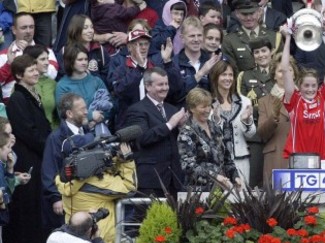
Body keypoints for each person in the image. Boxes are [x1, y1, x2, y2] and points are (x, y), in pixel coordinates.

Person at [4, 55, 51, 243]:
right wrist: (47, 147)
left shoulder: (32, 95)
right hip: (26, 157)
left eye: (35, 69)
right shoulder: (17, 99)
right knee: (25, 208)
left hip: (37, 156)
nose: (36, 72)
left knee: (34, 208)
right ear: (19, 75)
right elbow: (26, 131)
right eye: (30, 70)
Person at [55, 140, 137, 243]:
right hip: (99, 240)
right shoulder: (96, 183)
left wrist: (114, 161)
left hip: (74, 238)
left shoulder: (63, 179)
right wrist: (126, 162)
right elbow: (130, 187)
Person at [279, 19, 325, 169]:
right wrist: (287, 38)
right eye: (306, 86)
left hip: (324, 160)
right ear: (299, 86)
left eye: (313, 85)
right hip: (299, 160)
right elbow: (285, 69)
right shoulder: (294, 100)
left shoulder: (323, 97)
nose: (310, 89)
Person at [124, 67, 185, 198]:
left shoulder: (172, 109)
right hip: (151, 180)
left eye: (166, 84)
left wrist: (182, 126)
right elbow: (142, 139)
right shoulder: (136, 110)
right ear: (148, 86)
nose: (165, 88)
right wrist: (170, 124)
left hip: (174, 180)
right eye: (160, 84)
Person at [41, 93, 94, 234]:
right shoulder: (56, 138)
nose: (86, 112)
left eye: (85, 108)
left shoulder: (89, 132)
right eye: (81, 109)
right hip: (67, 201)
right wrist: (55, 198)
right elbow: (49, 170)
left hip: (89, 198)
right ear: (69, 113)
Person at [178, 88, 242, 190]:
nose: (207, 110)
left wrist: (235, 177)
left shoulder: (215, 127)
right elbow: (188, 166)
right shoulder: (187, 132)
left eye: (209, 106)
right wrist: (215, 176)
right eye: (203, 107)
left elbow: (227, 159)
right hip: (197, 192)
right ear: (192, 108)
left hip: (221, 189)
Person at [209, 59, 255, 183]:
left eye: (230, 75)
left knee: (242, 199)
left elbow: (250, 133)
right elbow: (207, 135)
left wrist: (246, 120)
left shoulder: (244, 101)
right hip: (217, 162)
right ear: (216, 77)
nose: (228, 78)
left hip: (241, 159)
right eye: (224, 74)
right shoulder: (208, 102)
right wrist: (216, 120)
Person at [237, 37, 274, 187]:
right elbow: (242, 106)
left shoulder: (280, 73)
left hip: (276, 133)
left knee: (275, 179)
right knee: (253, 178)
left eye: (264, 50)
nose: (261, 55)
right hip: (255, 135)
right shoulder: (244, 76)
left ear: (271, 52)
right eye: (257, 52)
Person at [257, 56, 296, 185]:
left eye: (289, 70)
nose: (285, 74)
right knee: (276, 202)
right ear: (274, 75)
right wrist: (274, 116)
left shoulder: (305, 99)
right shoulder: (264, 102)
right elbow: (262, 134)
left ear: (294, 74)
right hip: (276, 156)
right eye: (281, 71)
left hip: (300, 156)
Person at [0, 13, 58, 101]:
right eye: (24, 27)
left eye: (31, 27)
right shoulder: (3, 55)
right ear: (14, 30)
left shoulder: (47, 51)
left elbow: (51, 74)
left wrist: (29, 53)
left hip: (42, 102)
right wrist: (8, 64)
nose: (28, 31)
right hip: (13, 104)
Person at [55, 45, 110, 134]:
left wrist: (96, 120)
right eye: (80, 60)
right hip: (75, 134)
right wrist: (90, 116)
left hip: (100, 129)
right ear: (71, 62)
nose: (84, 62)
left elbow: (109, 105)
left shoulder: (96, 81)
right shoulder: (62, 85)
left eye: (86, 59)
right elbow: (63, 113)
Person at [221, 0, 281, 73]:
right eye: (244, 14)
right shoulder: (229, 40)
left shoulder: (274, 37)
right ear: (237, 14)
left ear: (259, 12)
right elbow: (232, 72)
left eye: (252, 13)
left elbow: (281, 66)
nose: (249, 18)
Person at [62, 15, 112, 86]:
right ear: (76, 29)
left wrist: (92, 79)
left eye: (91, 27)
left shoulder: (100, 50)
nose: (90, 31)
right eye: (85, 28)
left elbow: (108, 77)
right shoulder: (65, 51)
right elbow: (62, 76)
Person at [174, 17, 219, 96]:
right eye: (192, 36)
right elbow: (175, 95)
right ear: (182, 38)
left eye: (199, 35)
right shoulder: (174, 63)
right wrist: (201, 73)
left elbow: (218, 92)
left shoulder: (211, 60)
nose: (196, 39)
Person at [23, 45, 57, 129]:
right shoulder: (22, 85)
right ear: (32, 62)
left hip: (52, 135)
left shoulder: (52, 83)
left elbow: (57, 115)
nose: (47, 62)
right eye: (42, 59)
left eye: (47, 59)